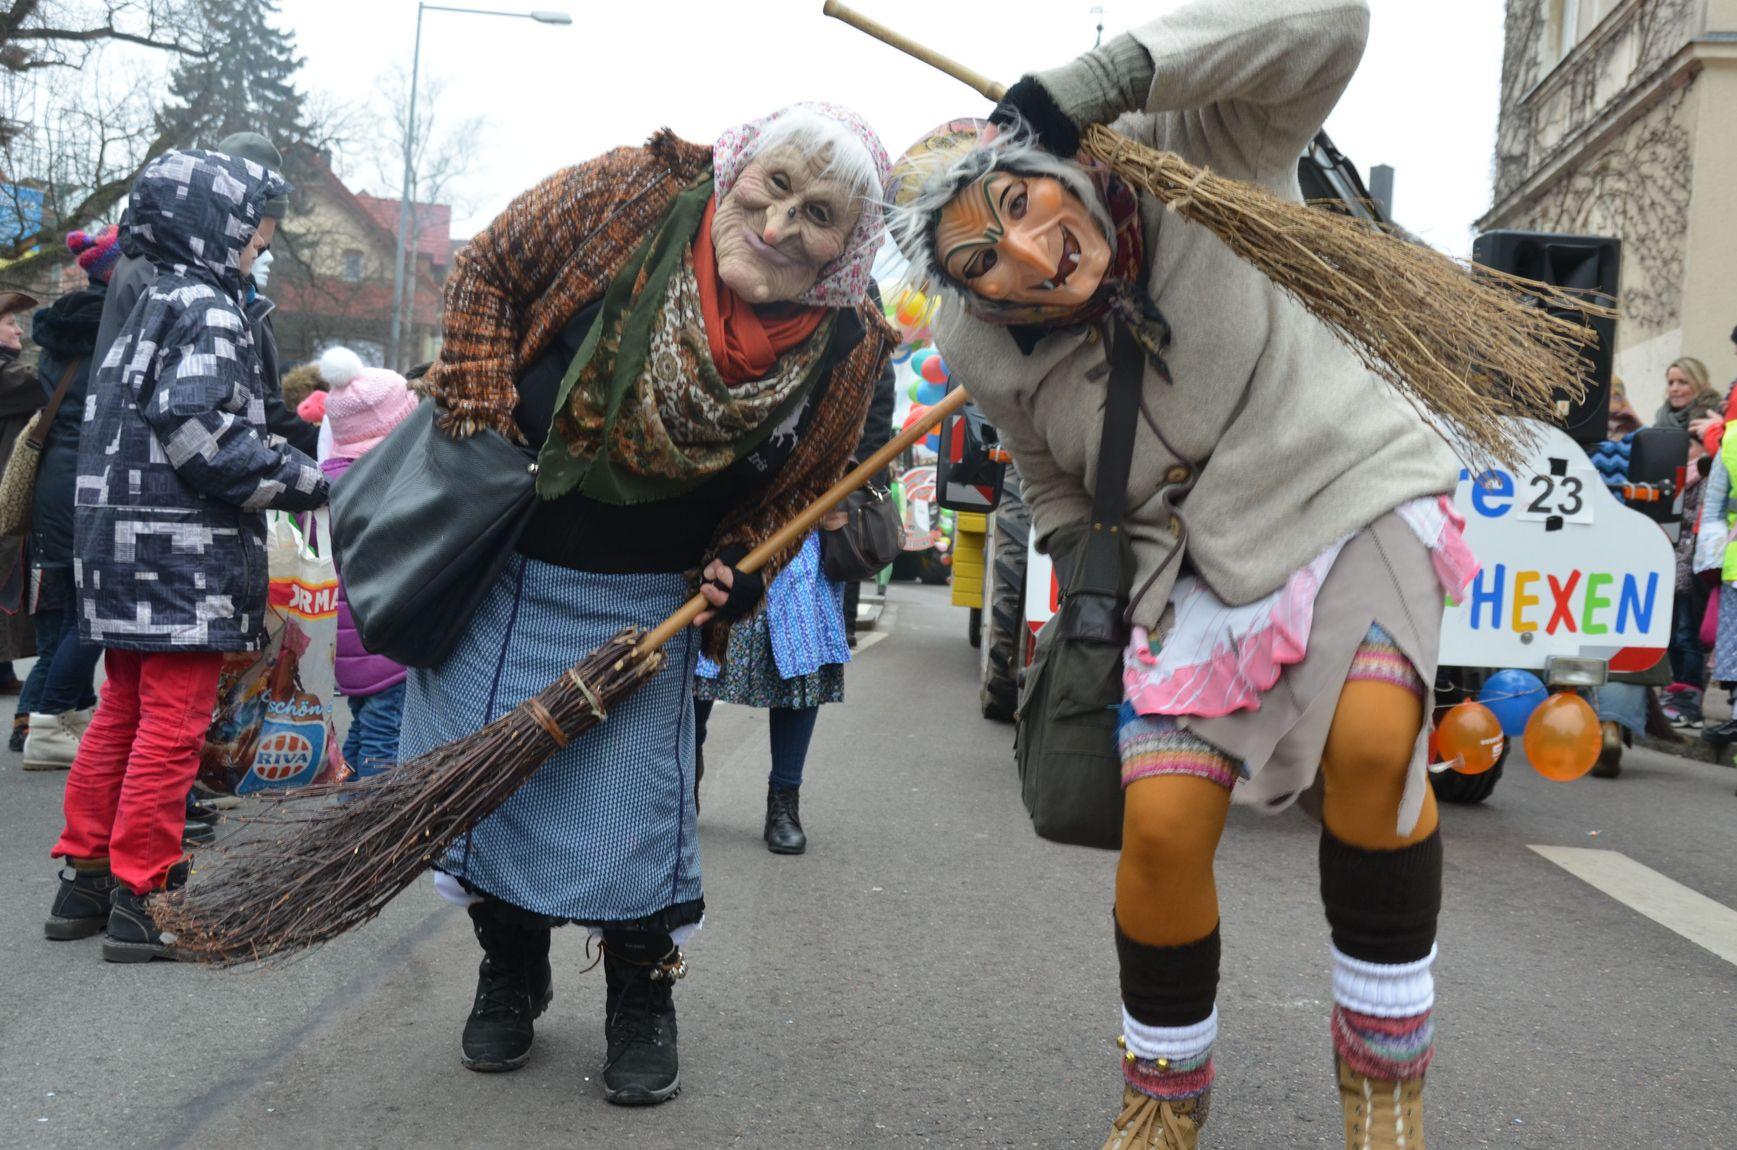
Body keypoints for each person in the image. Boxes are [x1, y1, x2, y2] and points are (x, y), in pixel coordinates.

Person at [886, 3, 1480, 1145]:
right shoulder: (980, 347)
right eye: (979, 261)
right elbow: (1046, 478)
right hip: (1188, 568)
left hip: (1343, 477)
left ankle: (1384, 1087)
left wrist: (1106, 74)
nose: (1023, 252)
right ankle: (1162, 1100)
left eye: (1018, 202)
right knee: (1158, 826)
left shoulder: (1198, 149)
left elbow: (1332, 21)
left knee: (1371, 748)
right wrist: (1102, 571)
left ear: (1049, 162)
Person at [401, 105, 893, 1103]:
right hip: (502, 568)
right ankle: (510, 967)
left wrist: (744, 563)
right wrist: (484, 408)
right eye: (776, 184)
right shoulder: (628, 197)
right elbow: (489, 267)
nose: (786, 221)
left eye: (824, 213)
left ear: (855, 242)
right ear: (736, 167)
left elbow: (806, 490)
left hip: (646, 610)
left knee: (643, 837)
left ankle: (644, 997)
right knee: (489, 801)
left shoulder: (846, 345)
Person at [44, 149, 327, 962]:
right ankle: (146, 890)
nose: (258, 251)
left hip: (120, 551)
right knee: (172, 726)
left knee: (119, 713)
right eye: (252, 237)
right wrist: (313, 483)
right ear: (212, 228)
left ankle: (88, 876)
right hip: (180, 560)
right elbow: (209, 443)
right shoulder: (207, 307)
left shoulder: (148, 302)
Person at [92, 131, 317, 459]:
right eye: (252, 237)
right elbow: (195, 426)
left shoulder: (186, 271)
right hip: (151, 480)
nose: (259, 250)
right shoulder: (167, 275)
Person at [18, 230, 116, 770]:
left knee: (70, 609)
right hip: (86, 483)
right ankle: (49, 724)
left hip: (58, 483)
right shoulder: (109, 331)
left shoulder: (63, 333)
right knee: (91, 611)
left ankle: (65, 714)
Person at [694, 524, 851, 854]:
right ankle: (683, 782)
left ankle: (784, 800)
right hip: (728, 527)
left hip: (802, 535)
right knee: (699, 661)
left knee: (799, 661)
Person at [317, 347, 417, 776]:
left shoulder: (324, 483)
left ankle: (346, 819)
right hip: (384, 647)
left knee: (363, 726)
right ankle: (371, 824)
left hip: (344, 652)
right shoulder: (384, 487)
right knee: (385, 742)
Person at [0, 289, 43, 704]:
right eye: (10, 322)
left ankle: (3, 670)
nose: (19, 328)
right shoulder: (8, 376)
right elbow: (38, 383)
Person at [1655, 356, 1720, 433]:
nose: (1674, 388)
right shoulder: (1661, 421)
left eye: (1683, 382)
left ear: (1701, 385)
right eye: (1670, 383)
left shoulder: (1717, 417)